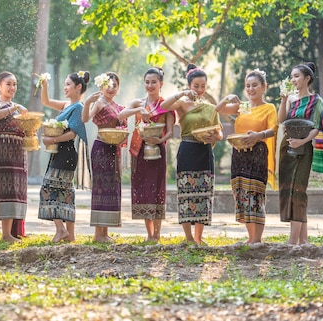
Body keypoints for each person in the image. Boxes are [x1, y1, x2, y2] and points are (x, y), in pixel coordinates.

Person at [277, 62, 323, 245]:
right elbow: (282, 120)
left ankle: (292, 241)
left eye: (297, 76)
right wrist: (282, 100)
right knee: (289, 190)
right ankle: (303, 240)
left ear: (307, 78)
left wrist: (302, 141)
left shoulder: (316, 101)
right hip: (286, 147)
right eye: (292, 76)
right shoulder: (290, 99)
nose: (293, 80)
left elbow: (316, 128)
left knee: (298, 190)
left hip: (304, 149)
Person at [161, 64, 222, 245]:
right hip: (187, 150)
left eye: (203, 86)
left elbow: (219, 133)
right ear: (189, 85)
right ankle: (188, 237)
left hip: (205, 151)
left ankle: (198, 236)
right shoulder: (182, 104)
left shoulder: (211, 108)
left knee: (203, 193)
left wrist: (214, 136)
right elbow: (164, 106)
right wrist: (181, 94)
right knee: (186, 193)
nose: (200, 90)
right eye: (196, 86)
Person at [216, 69, 277, 244]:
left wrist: (257, 135)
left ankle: (256, 239)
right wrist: (228, 98)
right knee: (242, 193)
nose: (251, 89)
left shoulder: (269, 108)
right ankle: (251, 238)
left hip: (257, 153)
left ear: (264, 87)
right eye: (248, 86)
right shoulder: (242, 107)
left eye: (255, 85)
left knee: (255, 194)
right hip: (239, 154)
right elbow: (218, 110)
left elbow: (273, 129)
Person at [118, 67, 174, 242]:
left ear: (161, 84)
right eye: (147, 82)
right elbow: (121, 115)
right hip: (139, 151)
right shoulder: (138, 102)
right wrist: (137, 111)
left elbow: (171, 132)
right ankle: (149, 234)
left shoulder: (166, 106)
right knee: (143, 190)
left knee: (157, 190)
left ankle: (157, 234)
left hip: (158, 151)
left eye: (154, 82)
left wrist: (160, 139)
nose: (150, 85)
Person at [39, 71, 89, 243]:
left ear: (78, 87)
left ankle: (61, 230)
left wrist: (51, 139)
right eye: (65, 84)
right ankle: (70, 236)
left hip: (66, 153)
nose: (65, 87)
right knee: (65, 192)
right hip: (59, 153)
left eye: (68, 84)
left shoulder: (78, 108)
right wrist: (45, 85)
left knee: (48, 188)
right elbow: (45, 102)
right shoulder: (67, 105)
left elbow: (72, 134)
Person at [82, 72, 126, 243]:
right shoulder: (99, 103)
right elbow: (85, 118)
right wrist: (87, 103)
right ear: (101, 86)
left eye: (115, 85)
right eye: (108, 84)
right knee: (101, 189)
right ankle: (97, 234)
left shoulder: (117, 106)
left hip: (114, 150)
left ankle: (104, 232)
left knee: (111, 189)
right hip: (101, 150)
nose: (111, 88)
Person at [0, 71, 28, 242]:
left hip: (19, 148)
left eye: (14, 84)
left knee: (18, 188)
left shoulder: (17, 106)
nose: (12, 87)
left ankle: (16, 231)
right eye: (8, 84)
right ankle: (5, 234)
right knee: (7, 188)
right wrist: (13, 108)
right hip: (5, 147)